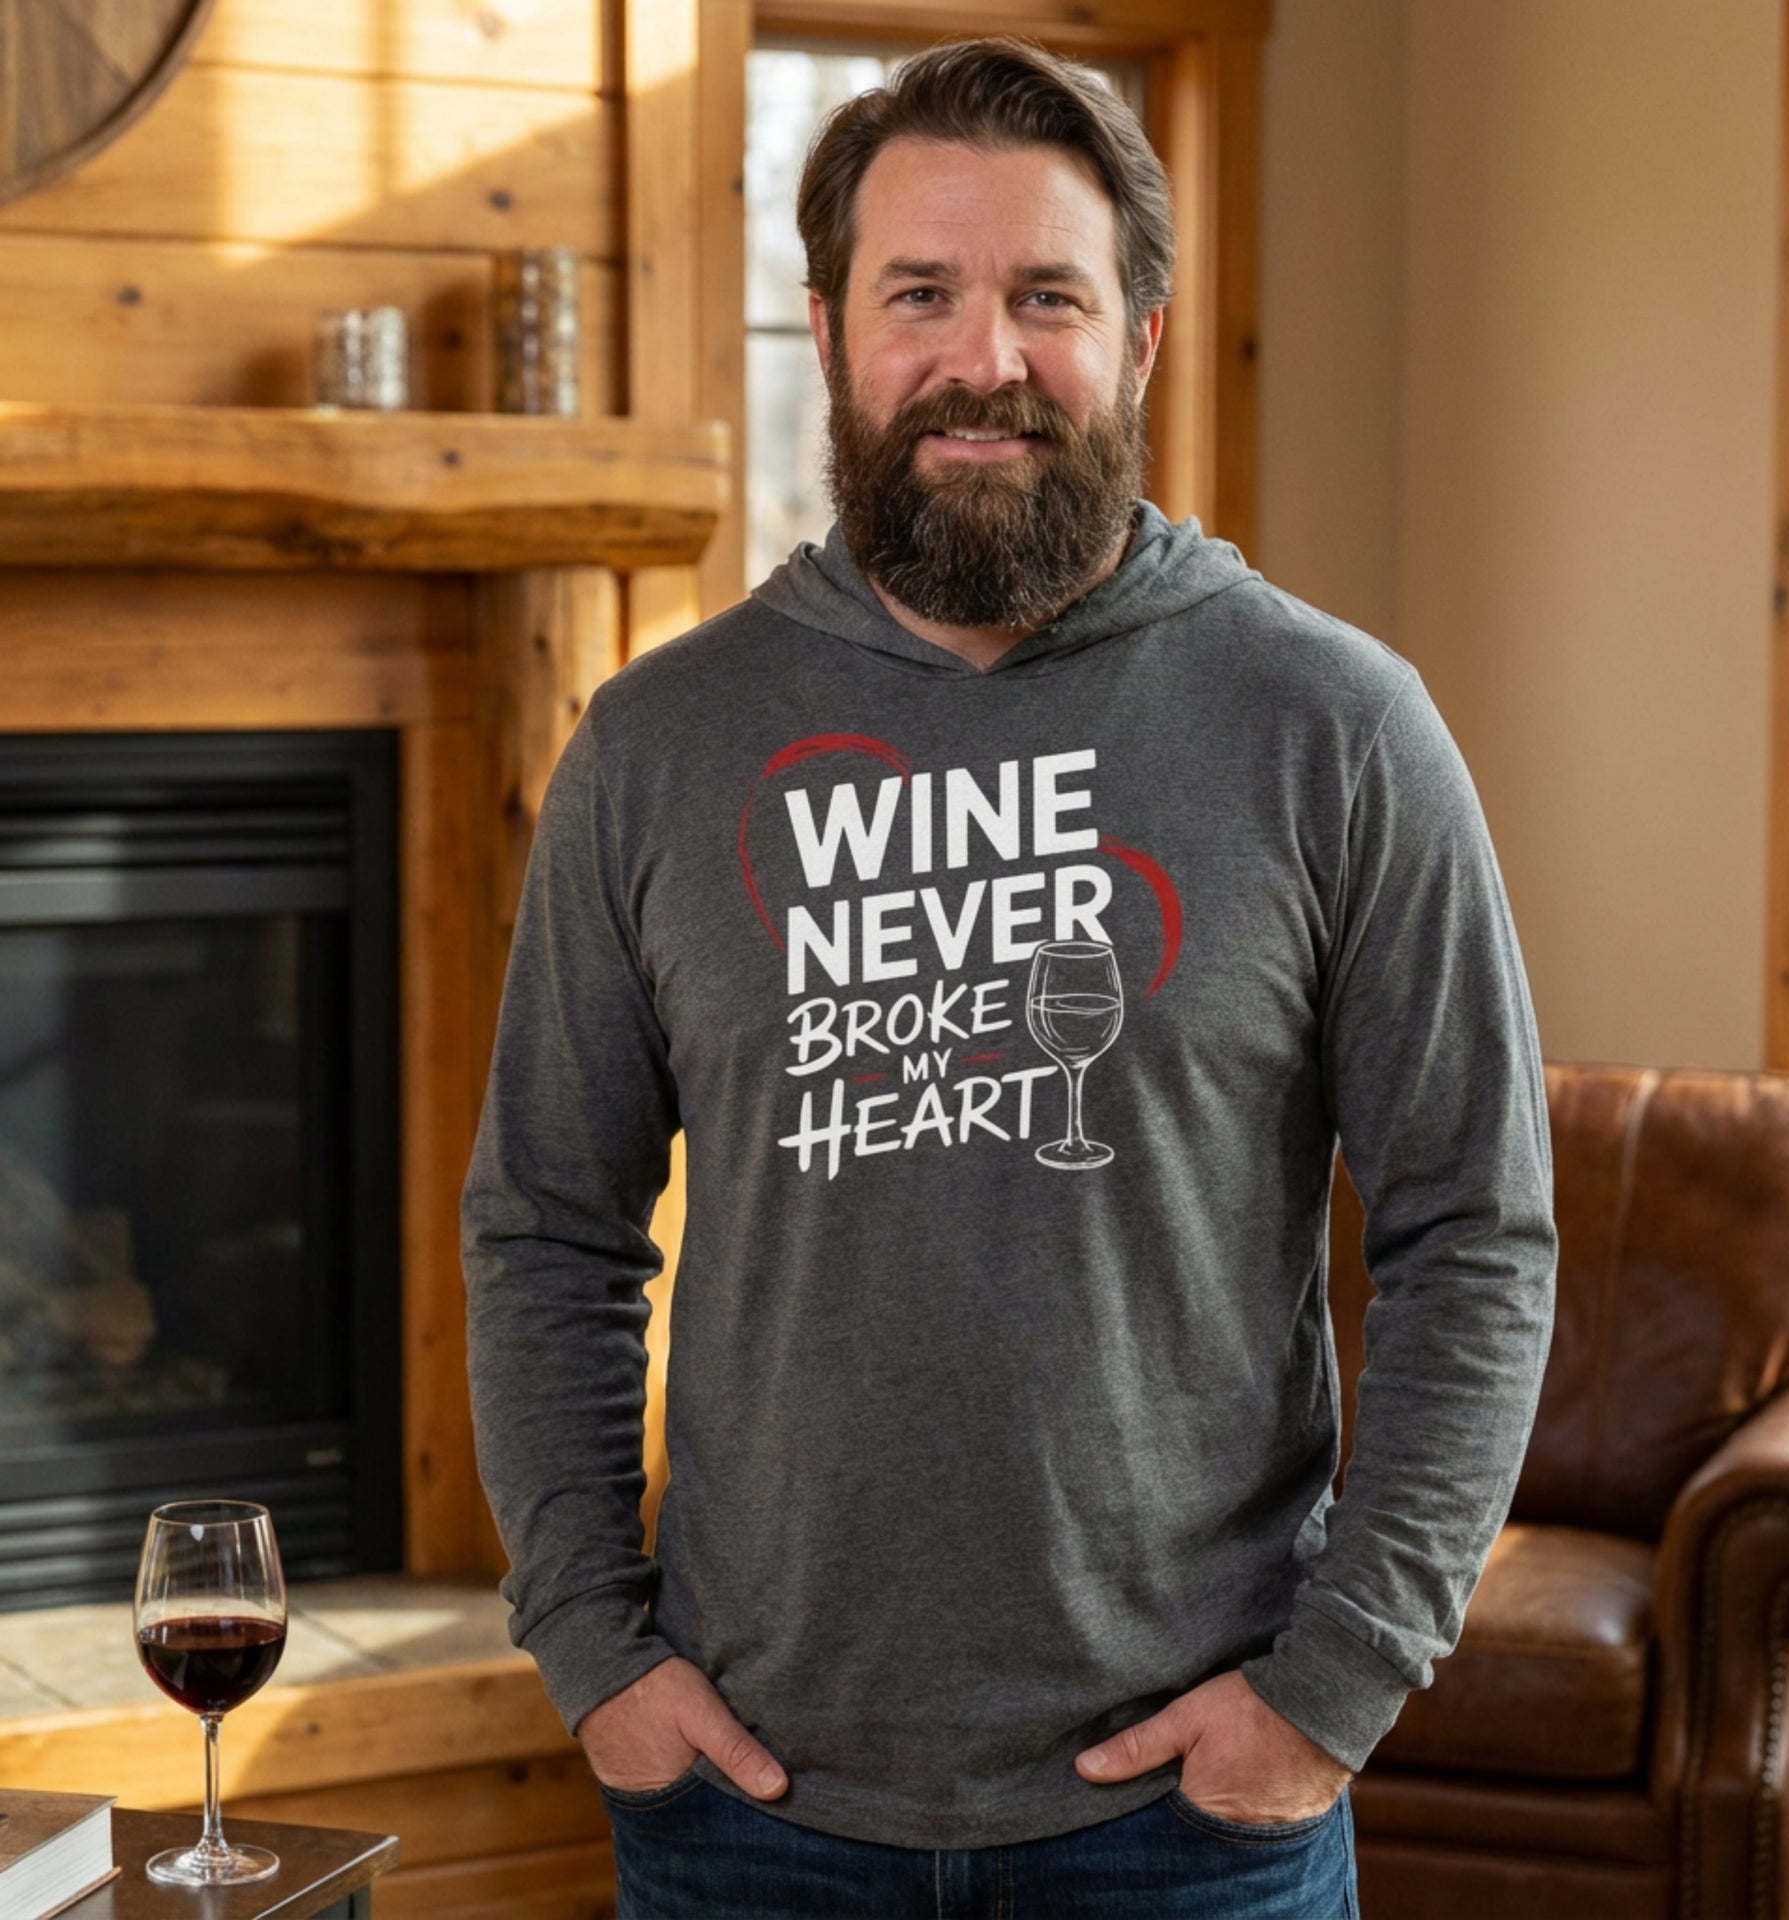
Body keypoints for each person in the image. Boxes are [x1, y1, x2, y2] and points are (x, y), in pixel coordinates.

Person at [461, 36, 1556, 1920]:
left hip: (1188, 1827)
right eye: (922, 295)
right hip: (745, 1810)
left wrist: (1335, 1689)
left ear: (1136, 337)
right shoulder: (655, 746)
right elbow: (549, 1226)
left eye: (1048, 294)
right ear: (833, 335)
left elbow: (1478, 1232)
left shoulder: (1335, 729)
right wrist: (596, 1652)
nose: (985, 360)